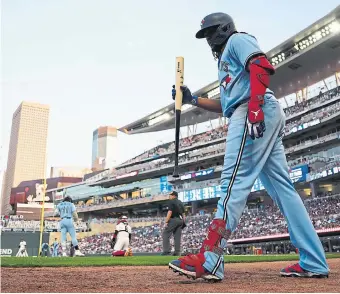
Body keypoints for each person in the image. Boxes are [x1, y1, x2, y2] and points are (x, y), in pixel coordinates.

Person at [169, 13, 329, 281]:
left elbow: (261, 65)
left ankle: (210, 259)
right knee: (283, 191)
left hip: (254, 108)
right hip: (255, 108)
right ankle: (313, 260)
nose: (208, 39)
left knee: (233, 182)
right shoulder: (225, 61)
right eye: (204, 35)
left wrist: (254, 108)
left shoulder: (237, 40)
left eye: (210, 33)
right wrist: (193, 99)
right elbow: (225, 104)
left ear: (224, 29)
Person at [162, 191, 185, 256]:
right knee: (177, 237)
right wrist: (183, 222)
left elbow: (170, 212)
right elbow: (183, 213)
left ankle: (167, 251)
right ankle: (177, 252)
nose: (169, 196)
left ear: (174, 195)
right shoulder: (180, 202)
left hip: (173, 220)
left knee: (165, 234)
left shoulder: (171, 201)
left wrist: (166, 222)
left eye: (170, 195)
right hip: (180, 220)